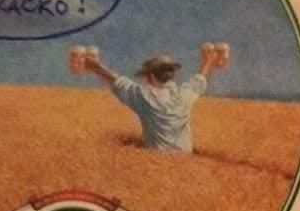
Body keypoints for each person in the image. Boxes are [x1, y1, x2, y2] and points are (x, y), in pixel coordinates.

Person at [84, 46, 220, 152]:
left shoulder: (144, 97)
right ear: (172, 75)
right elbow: (200, 79)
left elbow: (117, 81)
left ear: (151, 77)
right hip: (185, 161)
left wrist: (95, 66)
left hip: (157, 160)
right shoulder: (184, 95)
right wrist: (209, 61)